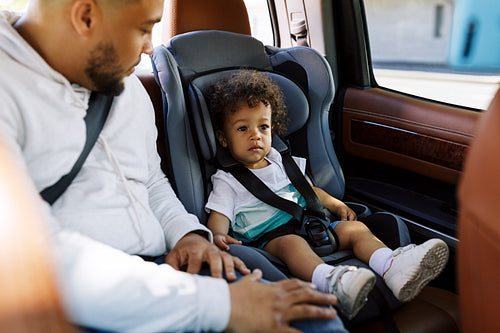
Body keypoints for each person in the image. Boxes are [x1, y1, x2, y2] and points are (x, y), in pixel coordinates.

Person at [0, 1, 347, 332]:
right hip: (70, 300)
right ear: (85, 17)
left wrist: (187, 234)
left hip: (169, 264)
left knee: (315, 318)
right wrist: (220, 305)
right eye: (144, 28)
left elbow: (150, 179)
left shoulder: (126, 86)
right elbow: (33, 256)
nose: (151, 47)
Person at [205, 69, 451, 319]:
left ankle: (391, 266)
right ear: (224, 139)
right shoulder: (227, 180)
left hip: (312, 224)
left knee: (354, 230)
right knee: (293, 244)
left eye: (263, 126)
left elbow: (309, 190)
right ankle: (333, 282)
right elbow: (219, 215)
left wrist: (335, 204)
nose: (255, 134)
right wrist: (217, 236)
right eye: (243, 128)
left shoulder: (280, 160)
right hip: (271, 240)